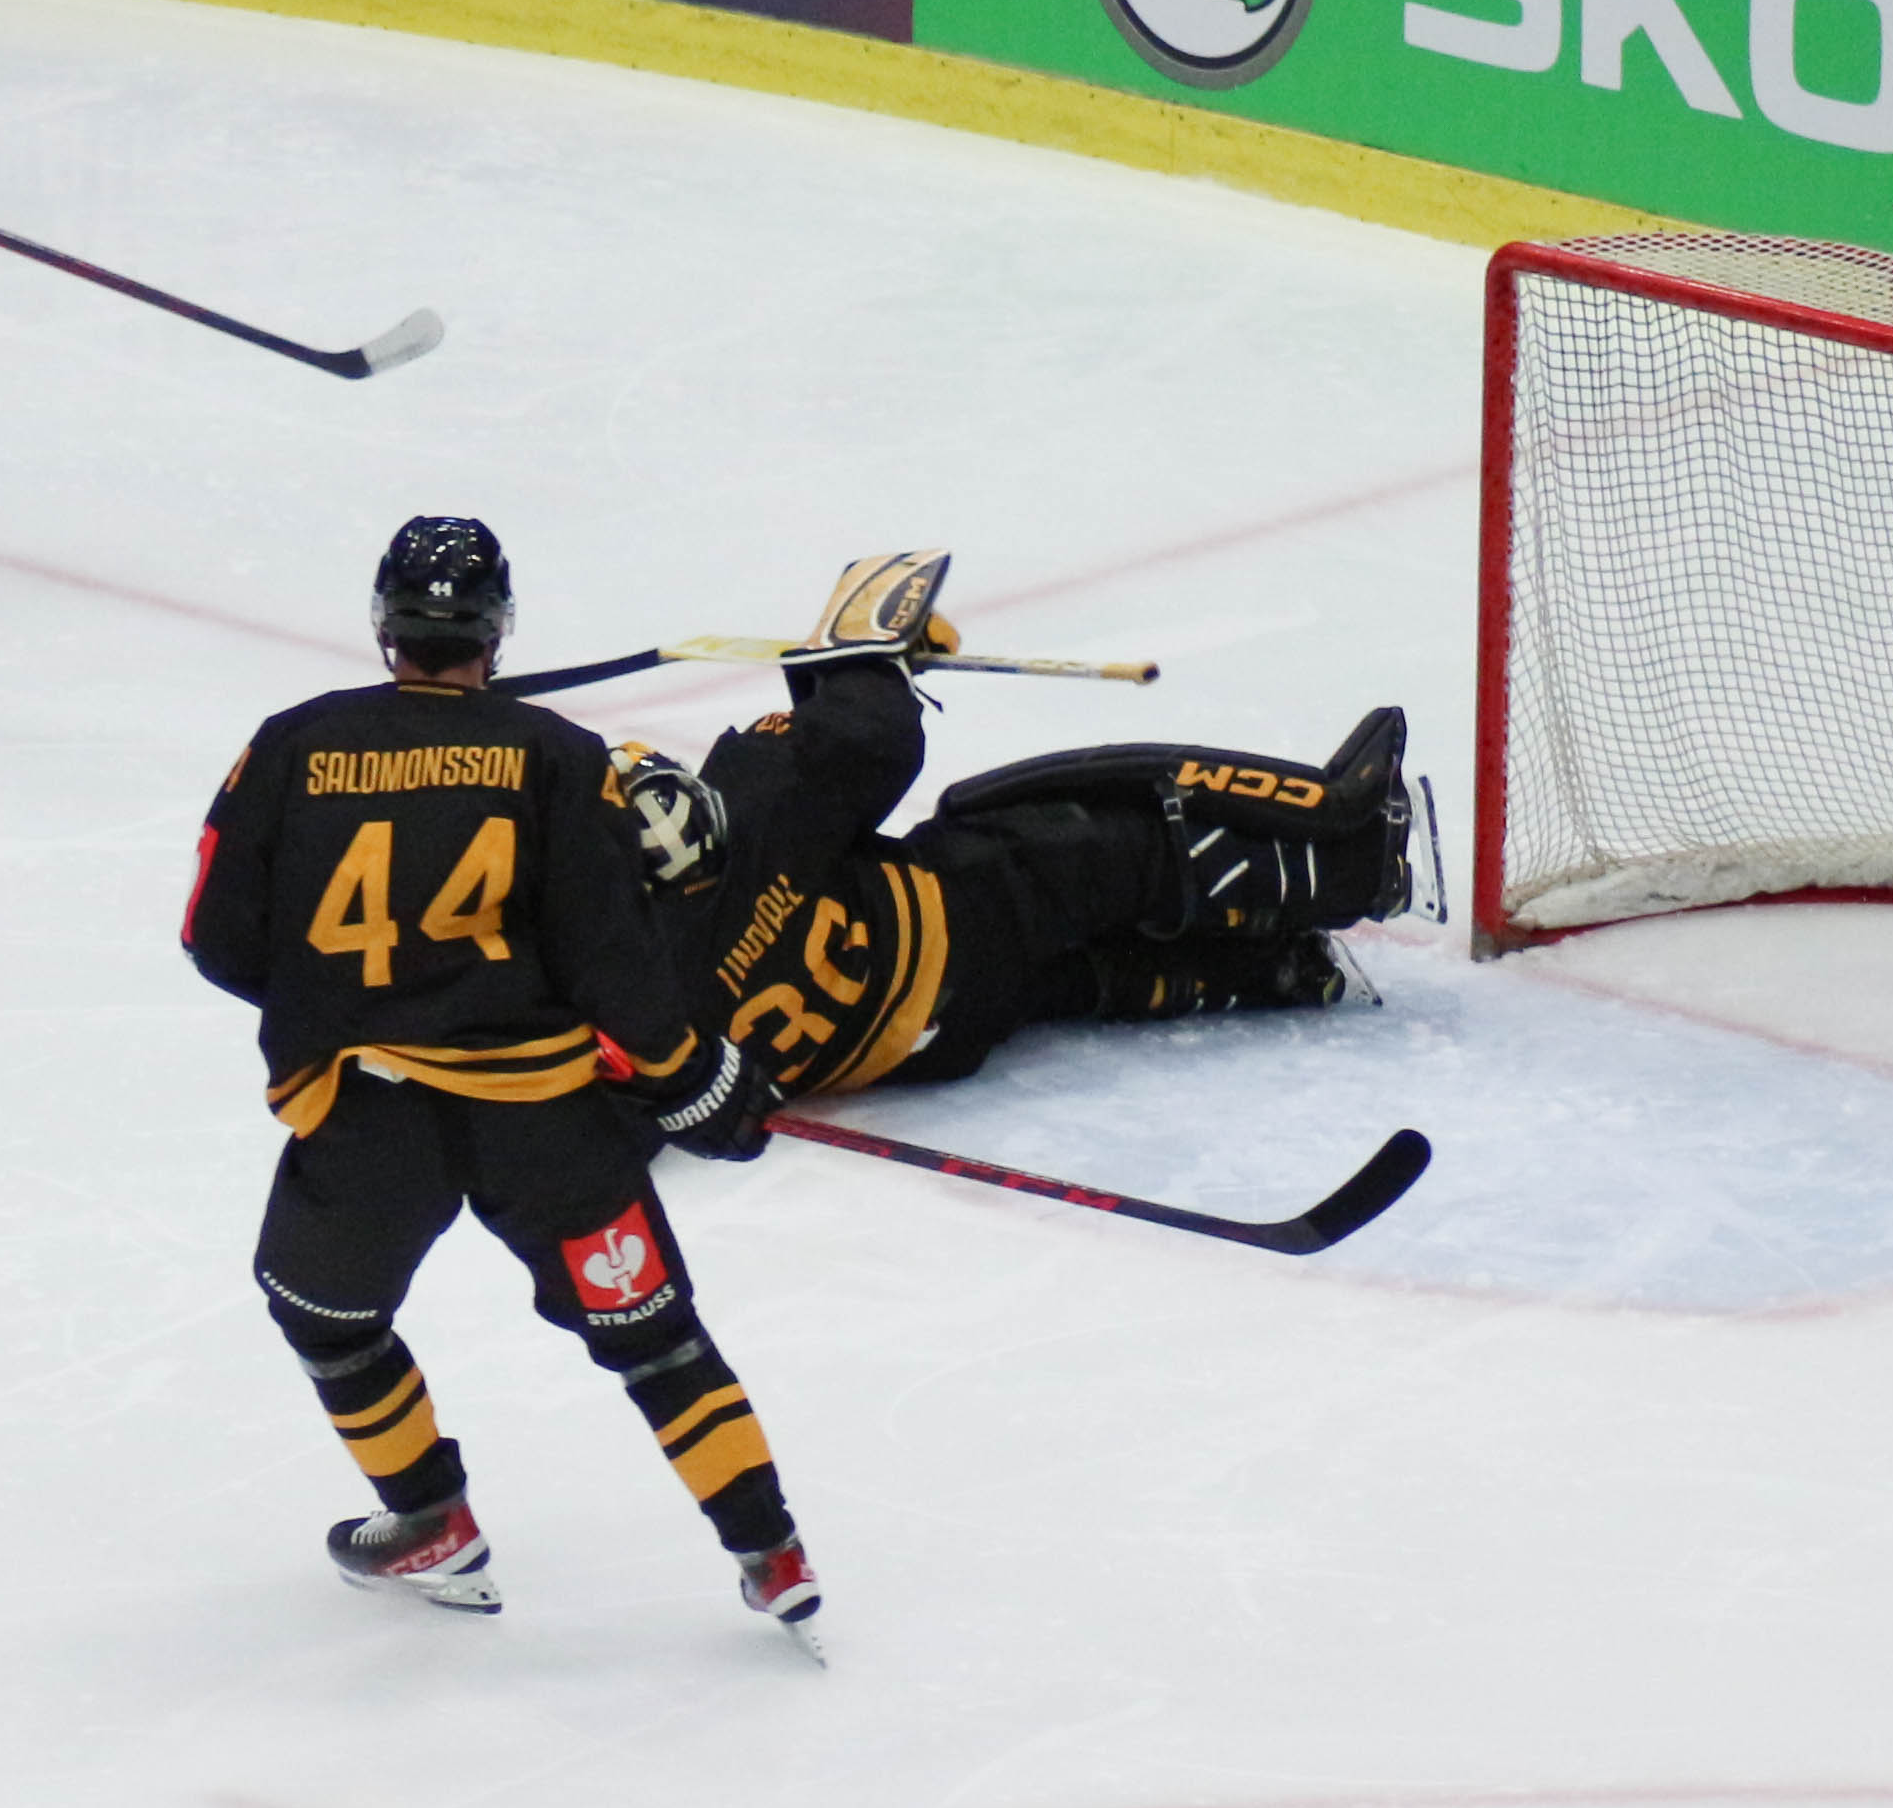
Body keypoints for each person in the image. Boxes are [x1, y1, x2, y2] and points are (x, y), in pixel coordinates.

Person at [181, 517, 821, 1658]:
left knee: (325, 1315)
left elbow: (217, 937)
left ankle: (430, 1517)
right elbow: (615, 961)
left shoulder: (292, 745)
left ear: (384, 623)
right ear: (499, 628)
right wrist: (694, 1080)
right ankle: (770, 1552)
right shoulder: (558, 757)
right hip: (546, 1123)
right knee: (655, 1338)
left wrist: (345, 1002)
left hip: (372, 1119)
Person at [624, 555, 1417, 1133]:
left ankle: (1273, 970)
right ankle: (1347, 864)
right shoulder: (753, 811)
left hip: (921, 1052)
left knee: (1070, 980)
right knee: (1089, 845)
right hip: (962, 918)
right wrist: (866, 655)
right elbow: (868, 741)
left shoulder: (622, 976)